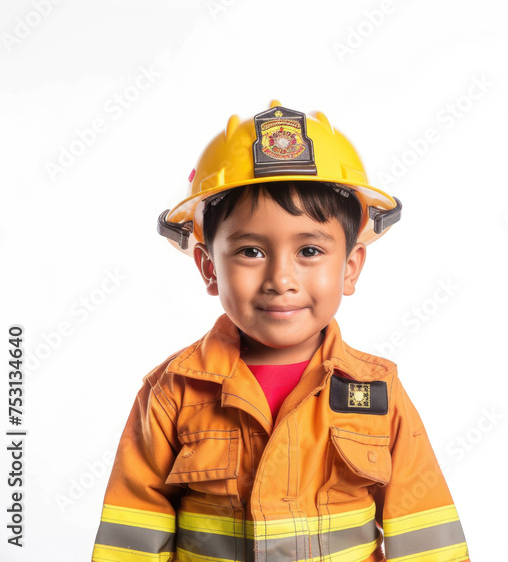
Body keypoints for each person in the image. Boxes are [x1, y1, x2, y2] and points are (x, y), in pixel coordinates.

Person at [91, 102, 469, 562]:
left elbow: (427, 535)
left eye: (309, 249)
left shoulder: (376, 392)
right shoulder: (172, 392)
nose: (280, 278)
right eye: (250, 251)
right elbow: (129, 539)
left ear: (350, 268)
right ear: (209, 268)